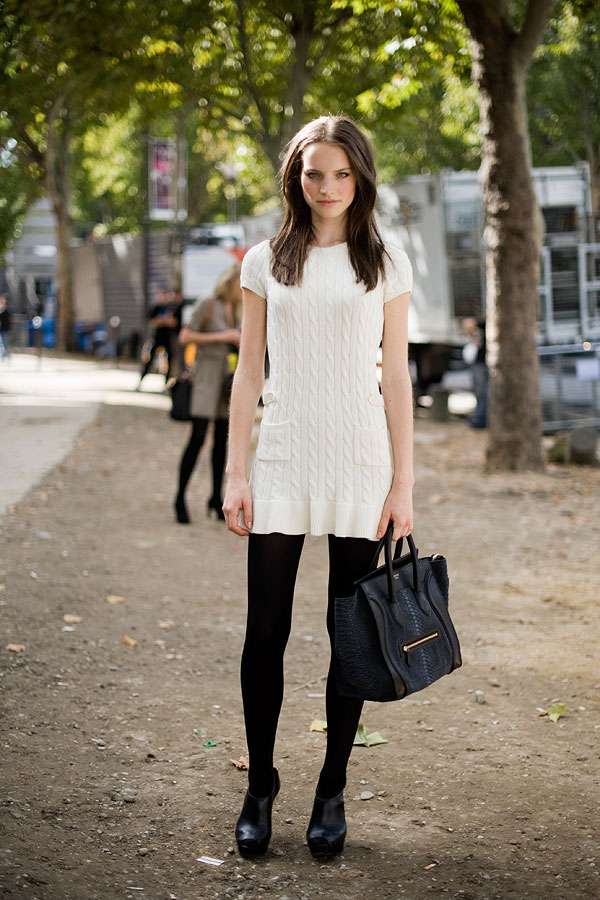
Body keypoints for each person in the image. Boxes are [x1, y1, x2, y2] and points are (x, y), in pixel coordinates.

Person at [222, 116, 414, 858]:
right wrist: (235, 471)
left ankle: (331, 788)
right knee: (264, 631)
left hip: (361, 463)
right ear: (295, 179)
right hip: (283, 456)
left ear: (360, 177)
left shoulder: (386, 263)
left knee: (349, 634)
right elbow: (248, 372)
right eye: (313, 174)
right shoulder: (264, 262)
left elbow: (395, 378)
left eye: (340, 173)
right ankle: (260, 784)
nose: (327, 187)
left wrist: (403, 485)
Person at [174, 263, 241, 524]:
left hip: (227, 377)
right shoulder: (208, 304)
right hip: (205, 375)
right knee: (198, 436)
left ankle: (215, 497)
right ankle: (180, 497)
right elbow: (185, 336)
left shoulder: (240, 309)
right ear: (230, 282)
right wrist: (223, 335)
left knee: (222, 440)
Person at [137, 289, 182, 388]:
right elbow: (153, 322)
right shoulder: (156, 308)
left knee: (170, 360)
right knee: (150, 359)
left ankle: (166, 383)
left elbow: (173, 322)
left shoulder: (171, 308)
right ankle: (141, 380)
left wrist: (162, 320)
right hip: (157, 338)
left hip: (168, 338)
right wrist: (165, 320)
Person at [462, 316, 488, 428]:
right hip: (480, 363)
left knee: (486, 393)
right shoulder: (487, 322)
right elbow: (468, 323)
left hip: (490, 364)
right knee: (481, 393)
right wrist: (474, 340)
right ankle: (479, 419)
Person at [0, 294, 11, 360]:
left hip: (4, 329)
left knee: (4, 342)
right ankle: (5, 354)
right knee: (3, 342)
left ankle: (5, 354)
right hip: (3, 329)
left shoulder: (6, 311)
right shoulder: (5, 311)